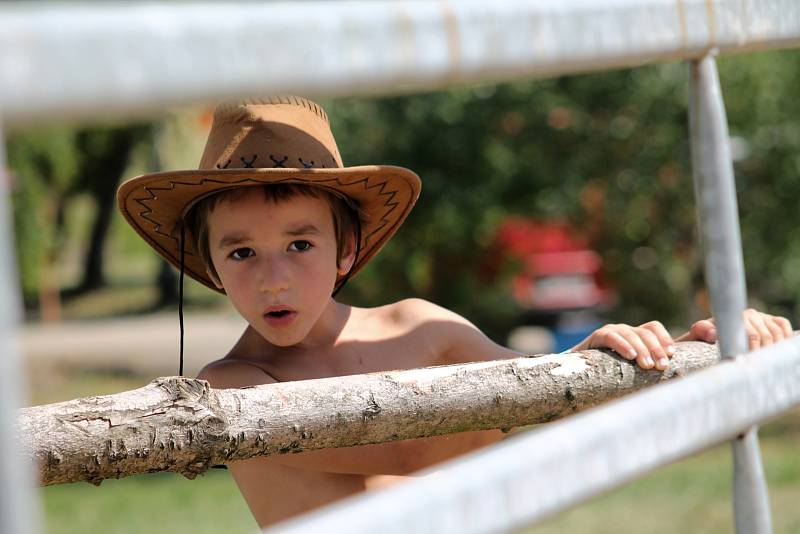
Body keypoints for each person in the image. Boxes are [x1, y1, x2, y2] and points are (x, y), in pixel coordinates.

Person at [117, 97, 793, 528]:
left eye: (300, 243)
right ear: (206, 263)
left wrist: (682, 352)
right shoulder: (233, 385)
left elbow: (557, 392)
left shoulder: (421, 326)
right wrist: (565, 383)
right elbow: (413, 453)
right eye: (240, 253)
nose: (274, 278)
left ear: (347, 248)